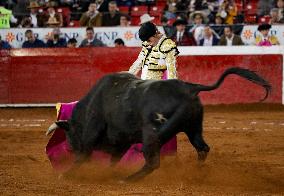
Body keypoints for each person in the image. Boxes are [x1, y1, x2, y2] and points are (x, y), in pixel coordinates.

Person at [127, 22, 178, 159]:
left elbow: (172, 72)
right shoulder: (148, 44)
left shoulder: (167, 46)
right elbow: (138, 63)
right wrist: (125, 77)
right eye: (146, 42)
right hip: (142, 88)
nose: (148, 44)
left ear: (155, 34)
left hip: (157, 91)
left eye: (149, 40)